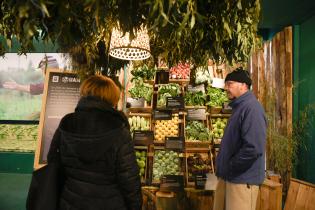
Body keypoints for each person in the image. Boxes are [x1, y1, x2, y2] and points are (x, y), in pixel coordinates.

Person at [46, 75, 142, 210]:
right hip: (110, 203)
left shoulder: (67, 123)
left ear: (85, 92)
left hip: (71, 201)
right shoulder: (119, 129)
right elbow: (129, 179)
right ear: (112, 97)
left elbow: (53, 161)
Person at [213, 68, 267, 210]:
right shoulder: (240, 107)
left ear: (243, 85)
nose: (226, 88)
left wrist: (230, 166)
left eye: (230, 84)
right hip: (229, 178)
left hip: (242, 181)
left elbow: (253, 148)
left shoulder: (252, 109)